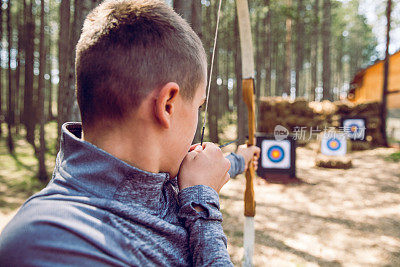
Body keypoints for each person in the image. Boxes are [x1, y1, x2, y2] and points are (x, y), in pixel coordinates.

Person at [0, 0, 260, 266]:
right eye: (198, 105)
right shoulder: (54, 244)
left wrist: (241, 158)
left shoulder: (154, 180)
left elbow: (207, 170)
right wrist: (202, 208)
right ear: (167, 105)